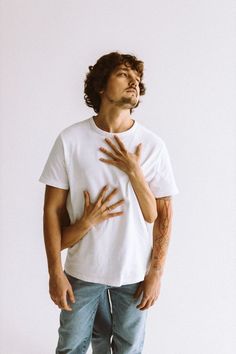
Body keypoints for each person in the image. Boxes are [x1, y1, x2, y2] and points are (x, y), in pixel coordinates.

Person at [39, 51, 179, 354]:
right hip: (81, 272)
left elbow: (161, 215)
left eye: (137, 78)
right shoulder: (71, 140)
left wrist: (156, 273)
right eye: (123, 75)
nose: (134, 82)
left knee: (128, 350)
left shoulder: (153, 145)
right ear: (101, 86)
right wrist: (55, 272)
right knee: (71, 347)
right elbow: (51, 210)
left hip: (134, 273)